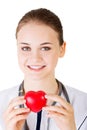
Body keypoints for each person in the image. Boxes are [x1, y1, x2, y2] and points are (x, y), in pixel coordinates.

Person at [0, 8, 87, 130]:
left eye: (45, 48)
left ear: (62, 49)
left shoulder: (84, 105)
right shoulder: (1, 103)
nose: (35, 58)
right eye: (26, 48)